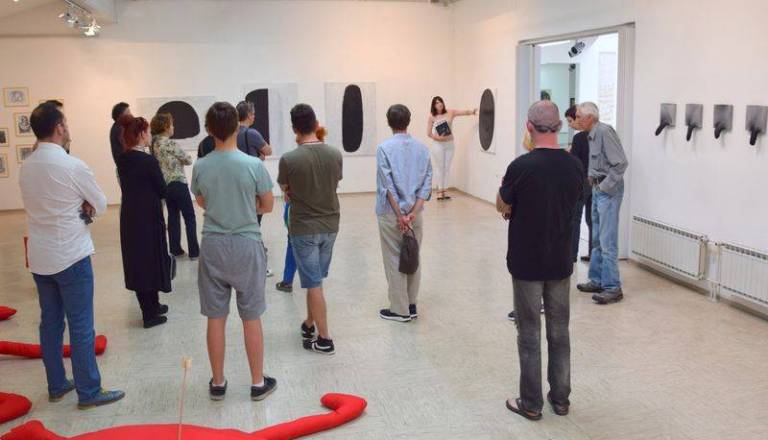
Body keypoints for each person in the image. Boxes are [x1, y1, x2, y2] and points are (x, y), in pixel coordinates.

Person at [19, 102, 124, 409]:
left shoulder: (27, 166)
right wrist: (84, 206)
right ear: (59, 127)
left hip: (41, 257)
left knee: (50, 323)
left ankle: (56, 384)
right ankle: (89, 391)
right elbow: (100, 203)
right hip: (71, 255)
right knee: (80, 325)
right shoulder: (72, 165)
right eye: (65, 122)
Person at [497, 100, 583, 421]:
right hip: (560, 260)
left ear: (529, 127)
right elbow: (575, 201)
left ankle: (531, 403)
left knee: (529, 332)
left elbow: (502, 204)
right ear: (559, 126)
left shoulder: (520, 167)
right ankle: (560, 399)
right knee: (559, 331)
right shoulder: (574, 166)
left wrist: (508, 200)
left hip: (526, 262)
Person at [191, 102, 277, 402]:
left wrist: (221, 205)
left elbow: (201, 200)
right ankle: (257, 383)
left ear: (208, 129)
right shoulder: (253, 165)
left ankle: (218, 382)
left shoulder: (201, 166)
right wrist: (246, 206)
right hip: (246, 244)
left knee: (215, 317)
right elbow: (268, 205)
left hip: (213, 245)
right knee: (251, 315)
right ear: (237, 128)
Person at [278, 104, 342, 355]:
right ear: (316, 124)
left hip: (304, 227)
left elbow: (286, 190)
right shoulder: (335, 154)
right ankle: (309, 323)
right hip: (330, 225)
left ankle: (325, 339)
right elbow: (335, 183)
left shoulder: (289, 160)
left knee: (313, 282)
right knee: (315, 280)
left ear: (294, 129)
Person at [376, 104, 432, 322]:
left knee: (393, 258)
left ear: (389, 122)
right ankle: (411, 304)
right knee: (413, 255)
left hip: (391, 214)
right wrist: (413, 213)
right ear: (408, 121)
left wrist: (400, 215)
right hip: (415, 214)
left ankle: (400, 310)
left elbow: (387, 185)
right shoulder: (422, 149)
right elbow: (426, 185)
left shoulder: (384, 148)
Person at [117, 114, 172, 329]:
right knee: (152, 259)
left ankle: (152, 306)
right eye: (148, 132)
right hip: (148, 216)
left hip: (130, 216)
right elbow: (162, 189)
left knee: (139, 262)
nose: (150, 135)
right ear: (141, 134)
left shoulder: (123, 160)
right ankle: (150, 314)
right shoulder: (148, 161)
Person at [575, 102, 629, 305]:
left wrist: (605, 187)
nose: (577, 120)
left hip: (608, 191)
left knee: (607, 241)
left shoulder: (605, 132)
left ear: (590, 117)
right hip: (597, 190)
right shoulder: (590, 135)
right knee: (597, 238)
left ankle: (613, 287)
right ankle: (597, 280)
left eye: (579, 116)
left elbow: (620, 163)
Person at [276, 125, 327, 294]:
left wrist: (288, 192)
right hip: (320, 213)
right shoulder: (326, 160)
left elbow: (285, 187)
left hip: (297, 212)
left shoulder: (294, 159)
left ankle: (287, 281)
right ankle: (314, 278)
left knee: (292, 243)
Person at [150, 113, 200, 259]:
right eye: (171, 124)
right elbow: (188, 159)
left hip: (165, 186)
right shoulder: (170, 143)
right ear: (166, 127)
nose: (173, 127)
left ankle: (175, 249)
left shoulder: (154, 144)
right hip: (178, 183)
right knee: (189, 217)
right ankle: (194, 252)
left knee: (173, 217)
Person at [426, 96, 476, 201]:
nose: (439, 104)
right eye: (437, 103)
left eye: (440, 102)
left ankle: (444, 190)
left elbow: (462, 112)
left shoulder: (450, 112)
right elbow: (429, 133)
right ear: (434, 106)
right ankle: (439, 192)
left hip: (449, 144)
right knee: (440, 167)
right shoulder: (432, 116)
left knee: (447, 167)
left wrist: (472, 111)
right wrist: (439, 138)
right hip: (438, 145)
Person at [565, 106, 592, 262]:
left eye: (570, 121)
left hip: (582, 183)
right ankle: (593, 253)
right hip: (596, 182)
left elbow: (575, 164)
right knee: (592, 219)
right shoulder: (596, 135)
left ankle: (571, 254)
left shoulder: (579, 138)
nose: (570, 125)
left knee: (575, 218)